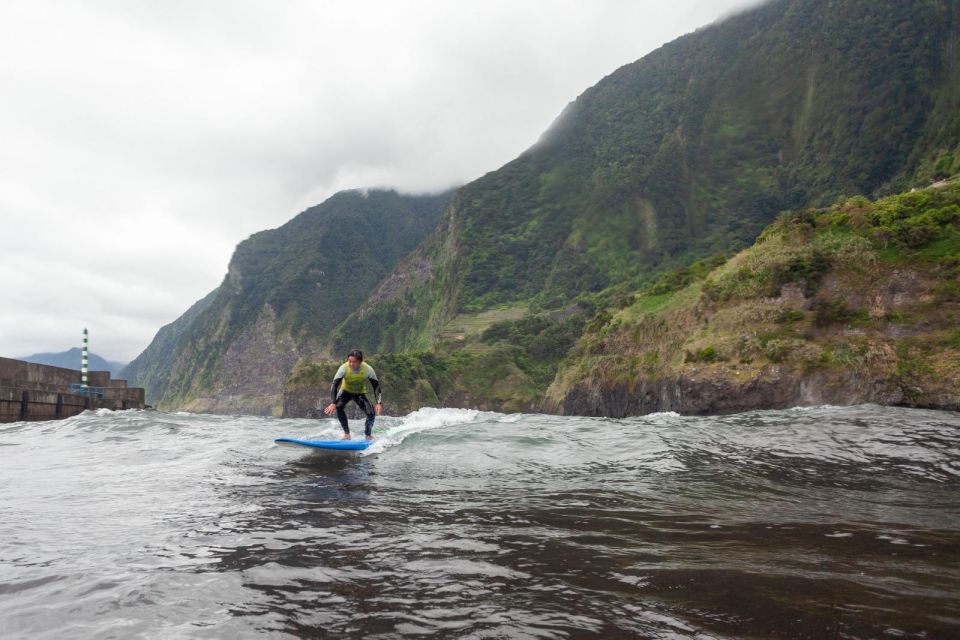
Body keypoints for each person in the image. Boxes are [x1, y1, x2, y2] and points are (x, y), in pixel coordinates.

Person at [324, 349, 382, 440]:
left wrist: (378, 402)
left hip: (360, 393)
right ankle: (347, 434)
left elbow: (376, 386)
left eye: (354, 362)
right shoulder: (343, 368)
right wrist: (333, 402)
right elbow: (334, 385)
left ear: (360, 362)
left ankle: (368, 435)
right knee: (339, 407)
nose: (351, 364)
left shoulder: (368, 369)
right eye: (349, 361)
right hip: (345, 391)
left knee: (371, 413)